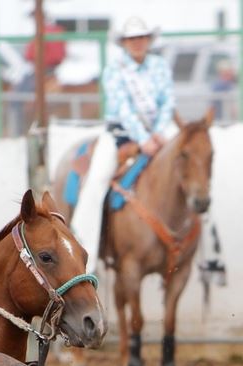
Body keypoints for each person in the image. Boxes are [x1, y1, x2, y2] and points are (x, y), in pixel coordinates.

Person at [69, 17, 176, 271]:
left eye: (141, 38)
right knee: (95, 182)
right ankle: (86, 260)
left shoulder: (160, 66)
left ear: (149, 40)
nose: (137, 43)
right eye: (132, 39)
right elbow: (124, 110)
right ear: (124, 43)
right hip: (121, 134)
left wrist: (159, 133)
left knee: (190, 162)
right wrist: (144, 139)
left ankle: (209, 255)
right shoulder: (114, 70)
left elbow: (168, 101)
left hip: (158, 132)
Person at [23, 14, 67, 81]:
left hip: (44, 67)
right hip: (48, 67)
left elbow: (31, 53)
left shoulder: (44, 32)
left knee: (24, 87)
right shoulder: (54, 31)